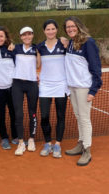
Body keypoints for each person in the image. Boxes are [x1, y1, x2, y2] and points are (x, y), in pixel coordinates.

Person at [63, 16, 102, 166]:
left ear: (79, 26)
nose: (70, 29)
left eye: (72, 26)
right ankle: (80, 143)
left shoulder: (88, 42)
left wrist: (93, 90)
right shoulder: (71, 43)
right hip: (72, 86)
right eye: (67, 27)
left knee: (85, 119)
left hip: (84, 87)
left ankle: (87, 150)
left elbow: (96, 67)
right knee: (79, 116)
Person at [37, 19, 69, 158]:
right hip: (45, 85)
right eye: (47, 29)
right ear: (44, 31)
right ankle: (48, 143)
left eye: (53, 29)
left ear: (56, 30)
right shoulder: (40, 47)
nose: (50, 31)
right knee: (44, 116)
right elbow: (37, 64)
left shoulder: (64, 44)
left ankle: (58, 144)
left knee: (60, 116)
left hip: (61, 84)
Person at [11, 26, 40, 155]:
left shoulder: (37, 49)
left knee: (32, 112)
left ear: (32, 35)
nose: (26, 37)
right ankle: (21, 142)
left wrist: (38, 53)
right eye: (24, 35)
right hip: (17, 84)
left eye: (29, 34)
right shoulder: (15, 48)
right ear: (21, 37)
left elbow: (38, 65)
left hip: (32, 84)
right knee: (18, 114)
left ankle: (32, 139)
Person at [0, 26, 17, 150]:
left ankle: (16, 136)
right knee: (0, 115)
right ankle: (4, 137)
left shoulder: (12, 50)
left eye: (1, 36)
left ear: (5, 37)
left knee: (14, 113)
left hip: (12, 88)